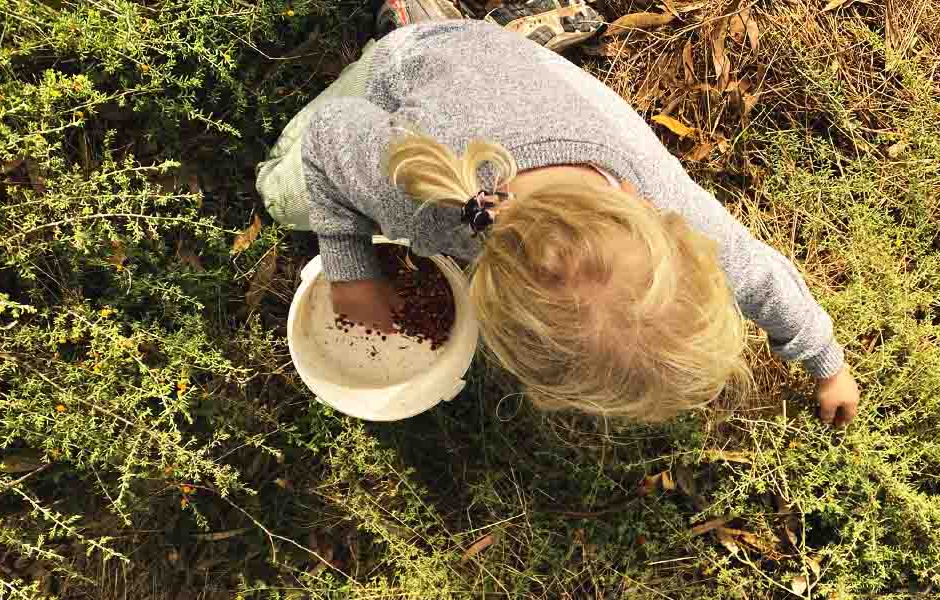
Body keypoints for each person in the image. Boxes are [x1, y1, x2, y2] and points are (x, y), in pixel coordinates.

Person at [255, 1, 861, 426]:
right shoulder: (415, 188)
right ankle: (416, 19)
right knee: (281, 193)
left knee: (499, 68)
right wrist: (351, 269)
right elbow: (331, 136)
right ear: (483, 297)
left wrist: (827, 364)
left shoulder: (672, 221)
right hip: (416, 66)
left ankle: (504, 34)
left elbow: (761, 279)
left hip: (541, 85)